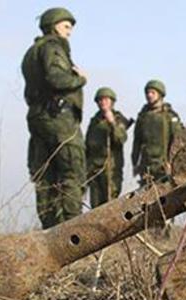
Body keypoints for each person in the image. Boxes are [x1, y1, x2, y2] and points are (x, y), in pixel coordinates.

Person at [22, 7, 88, 229]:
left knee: (45, 177)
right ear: (53, 25)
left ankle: (49, 230)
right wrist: (80, 79)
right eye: (66, 26)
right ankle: (72, 232)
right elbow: (56, 79)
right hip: (58, 119)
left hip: (38, 117)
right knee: (71, 172)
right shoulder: (53, 47)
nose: (69, 31)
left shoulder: (32, 51)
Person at [85, 87, 130, 208]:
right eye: (100, 100)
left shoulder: (118, 119)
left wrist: (112, 122)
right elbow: (87, 146)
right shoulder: (94, 122)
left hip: (111, 170)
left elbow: (120, 139)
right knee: (95, 206)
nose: (102, 102)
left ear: (112, 101)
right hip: (94, 170)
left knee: (110, 204)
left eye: (105, 99)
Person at [131, 80, 182, 185]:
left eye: (153, 93)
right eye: (147, 93)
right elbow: (137, 141)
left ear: (160, 94)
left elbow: (177, 140)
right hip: (147, 165)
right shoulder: (143, 116)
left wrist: (172, 162)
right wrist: (135, 163)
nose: (149, 95)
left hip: (164, 165)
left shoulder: (169, 116)